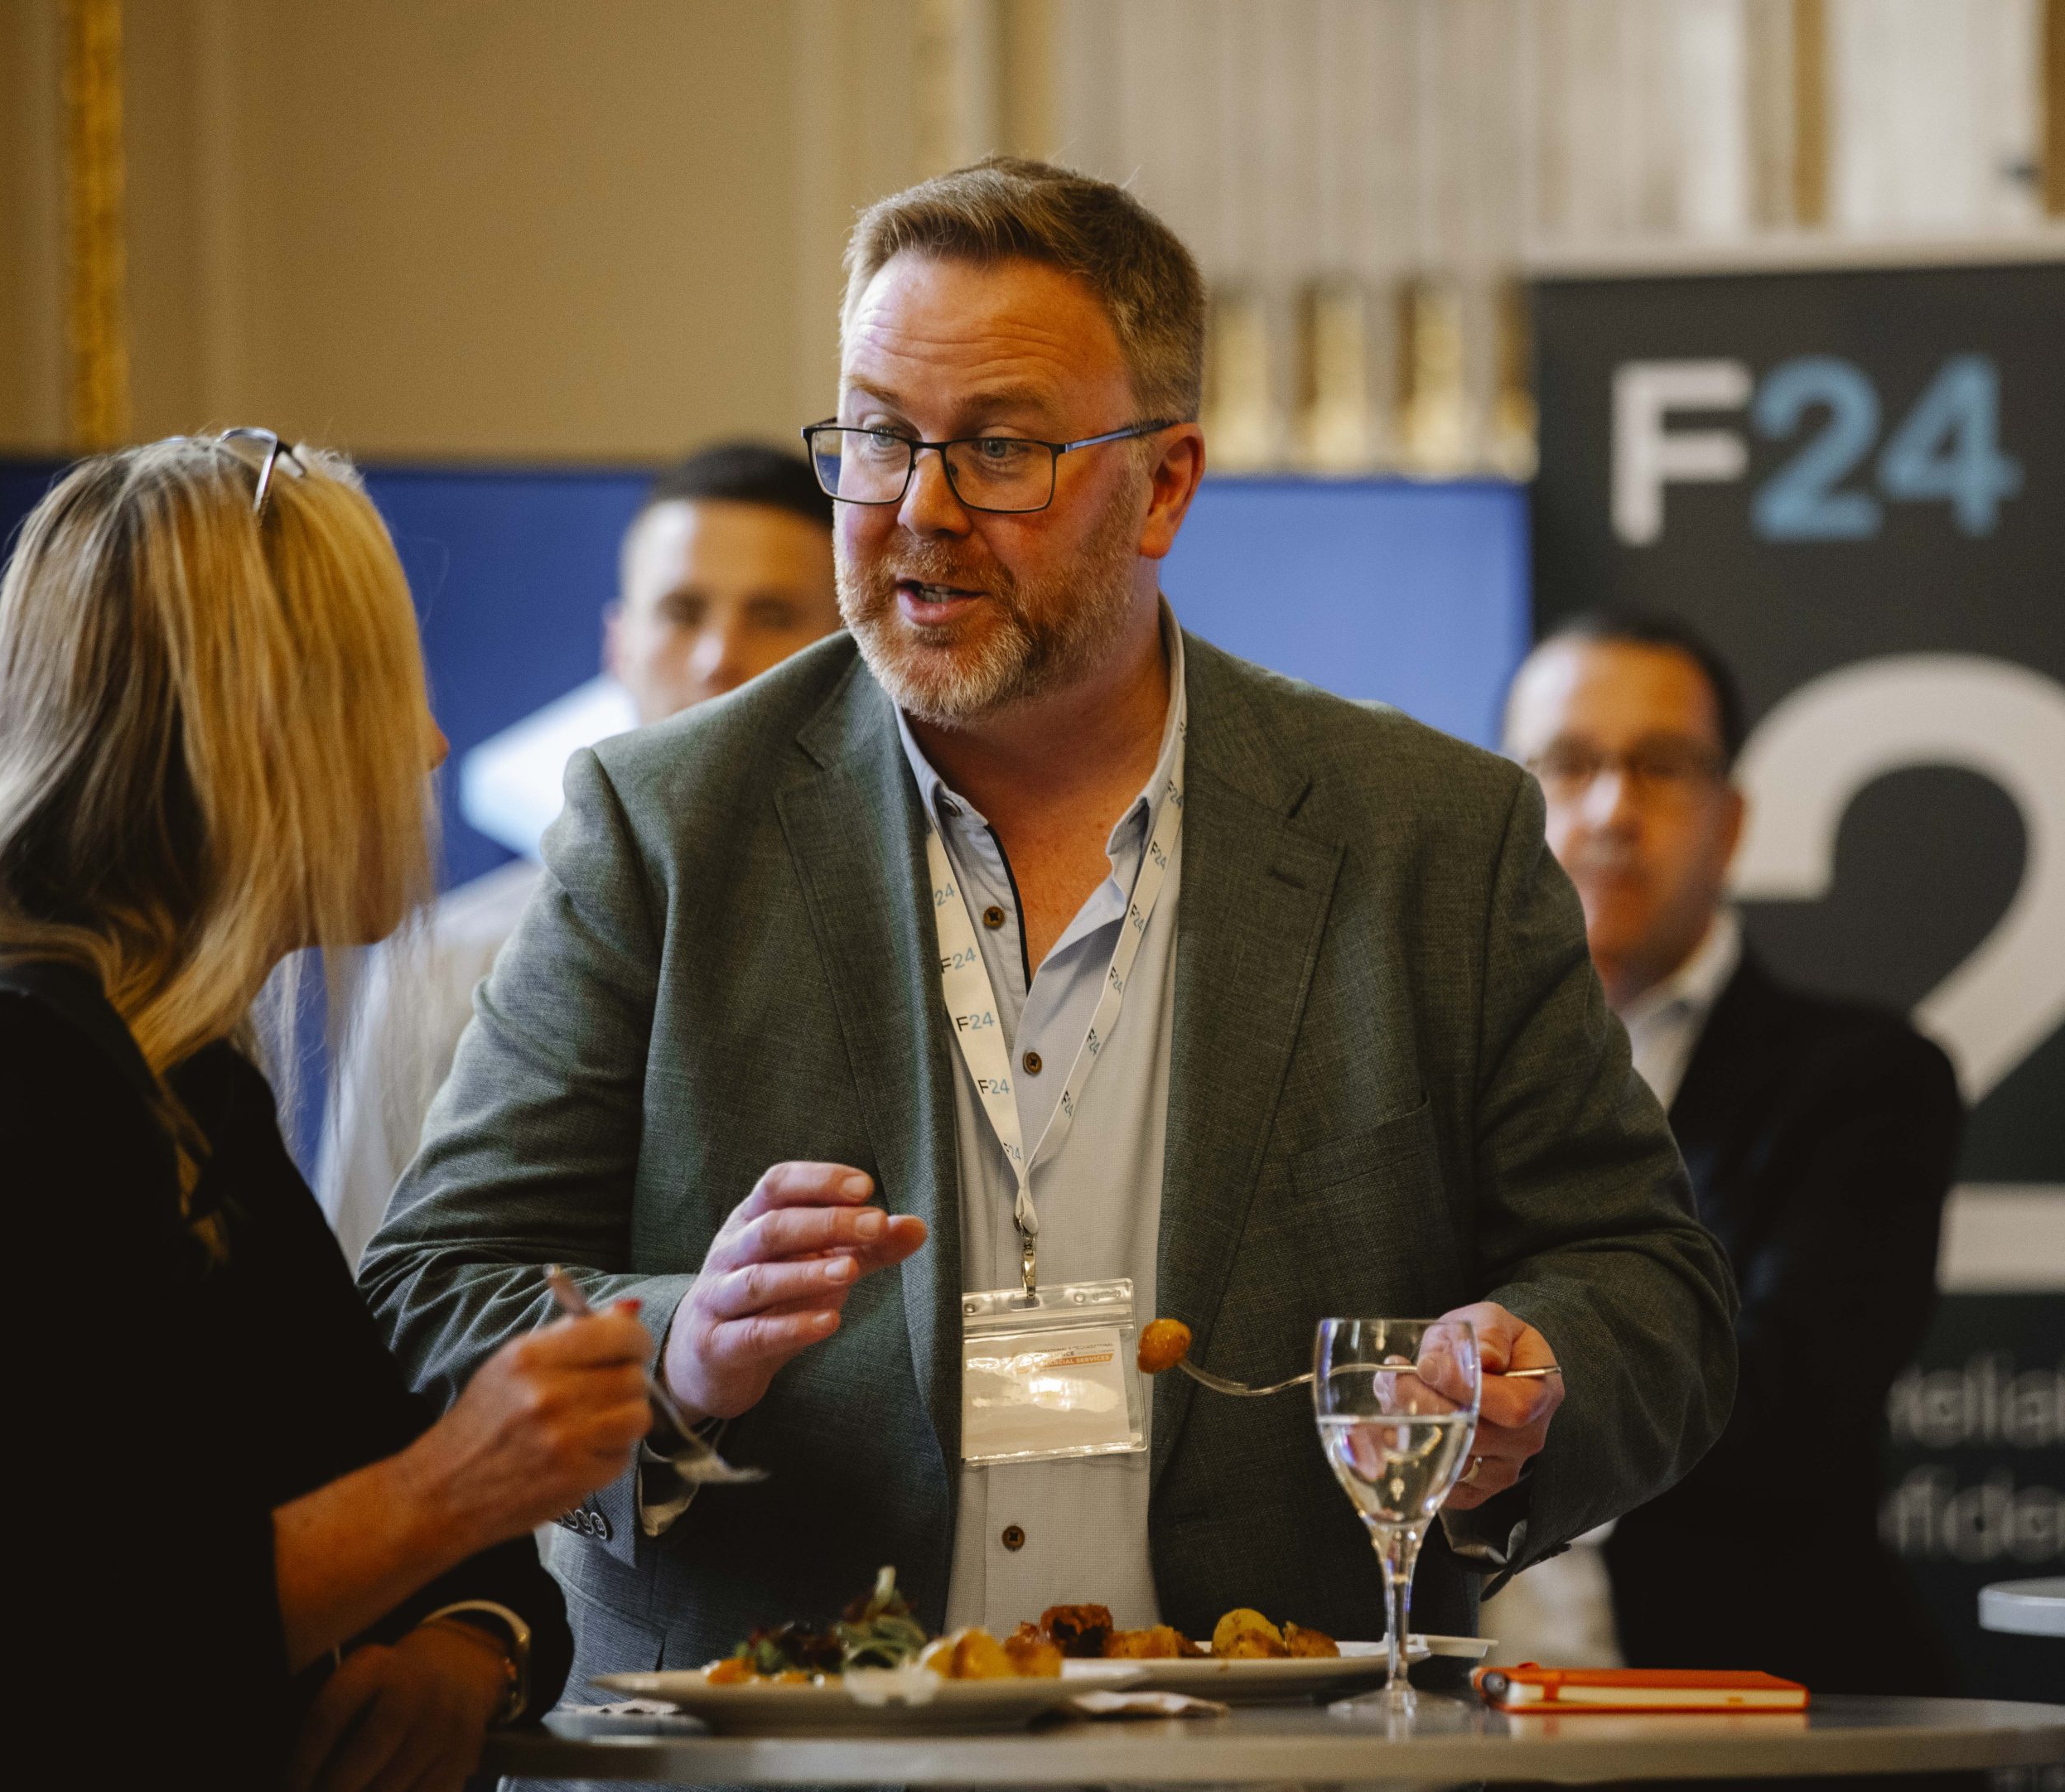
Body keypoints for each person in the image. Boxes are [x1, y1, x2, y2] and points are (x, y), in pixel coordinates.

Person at [363, 159, 1736, 1701]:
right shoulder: (665, 825)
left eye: (1001, 449)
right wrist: (677, 1350)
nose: (919, 510)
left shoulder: (1428, 837)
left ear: (1165, 484)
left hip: (1276, 1753)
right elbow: (429, 1291)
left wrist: (1531, 1371)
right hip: (785, 1753)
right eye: (877, 436)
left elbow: (1650, 1285)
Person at [0, 433, 656, 1789]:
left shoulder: (197, 1095)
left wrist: (469, 1643)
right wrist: (454, 1483)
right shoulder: (4, 1091)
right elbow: (40, 1649)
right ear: (252, 728)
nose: (432, 742)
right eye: (388, 689)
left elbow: (452, 1542)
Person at [1503, 611, 1961, 1693]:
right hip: (1440, 1713)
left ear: (1732, 818)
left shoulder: (1865, 1081)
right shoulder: (1423, 1066)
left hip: (1745, 1703)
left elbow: (1793, 1403)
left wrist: (1510, 1400)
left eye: (1661, 765)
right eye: (1568, 762)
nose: (1611, 809)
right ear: (1500, 805)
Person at [317, 444, 840, 1264]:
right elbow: (365, 1281)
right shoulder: (444, 964)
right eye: (682, 612)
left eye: (772, 615)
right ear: (619, 645)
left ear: (845, 649)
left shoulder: (913, 941)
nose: (718, 658)